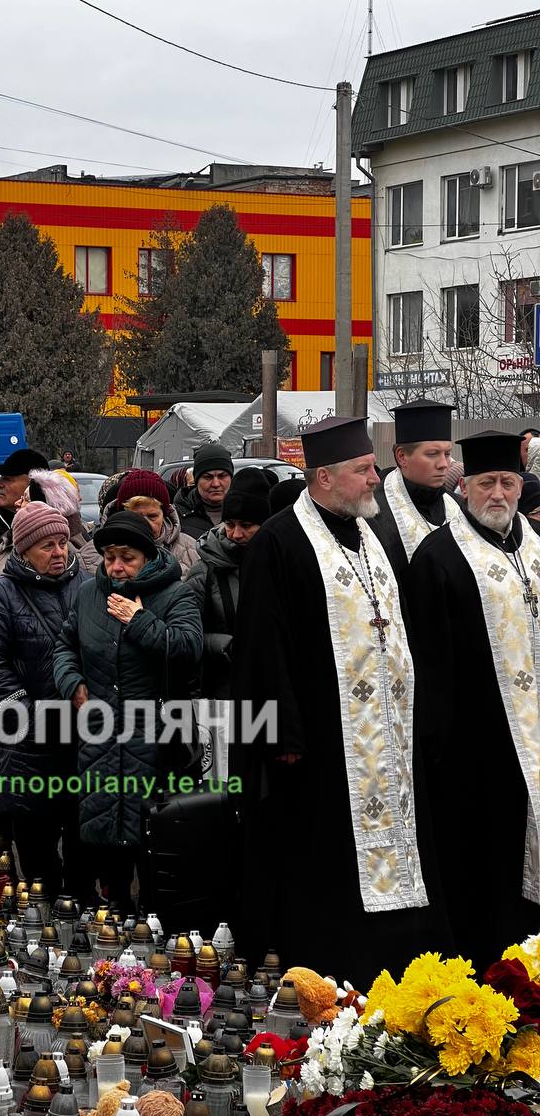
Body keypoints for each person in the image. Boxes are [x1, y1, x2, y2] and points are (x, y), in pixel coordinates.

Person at [231, 416, 449, 987]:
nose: (374, 479)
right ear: (323, 477)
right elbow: (261, 648)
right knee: (325, 867)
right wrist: (281, 734)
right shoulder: (279, 542)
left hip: (390, 738)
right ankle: (332, 975)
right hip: (321, 747)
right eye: (361, 470)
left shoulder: (373, 537)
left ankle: (400, 970)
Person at [408, 431, 540, 972]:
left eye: (508, 483)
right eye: (487, 483)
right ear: (464, 487)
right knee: (481, 869)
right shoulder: (438, 556)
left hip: (533, 744)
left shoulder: (534, 547)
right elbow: (429, 663)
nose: (499, 494)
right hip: (473, 749)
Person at [54, 510, 203, 911]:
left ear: (148, 556)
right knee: (105, 828)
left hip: (154, 736)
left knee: (152, 833)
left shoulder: (176, 593)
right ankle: (114, 909)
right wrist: (72, 683)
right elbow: (65, 645)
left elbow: (188, 649)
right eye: (109, 557)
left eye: (127, 557)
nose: (116, 566)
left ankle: (155, 921)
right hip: (100, 734)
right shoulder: (89, 594)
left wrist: (139, 620)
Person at [0, 502, 90, 898]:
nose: (58, 553)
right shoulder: (2, 594)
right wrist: (25, 709)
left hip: (82, 737)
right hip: (27, 742)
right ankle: (42, 926)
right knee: (37, 852)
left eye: (62, 543)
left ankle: (84, 925)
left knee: (83, 843)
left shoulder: (87, 585)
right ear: (23, 552)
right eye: (46, 546)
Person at [187, 469, 270, 700]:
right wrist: (226, 645)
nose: (235, 534)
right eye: (230, 524)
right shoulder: (206, 569)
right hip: (223, 691)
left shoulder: (276, 564)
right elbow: (187, 634)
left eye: (246, 525)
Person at [370, 399, 460, 580]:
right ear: (402, 456)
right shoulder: (373, 512)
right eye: (432, 454)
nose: (444, 464)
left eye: (447, 454)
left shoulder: (460, 507)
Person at [113, 469, 197, 578]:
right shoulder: (94, 554)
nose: (145, 524)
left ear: (164, 515)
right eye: (136, 517)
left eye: (152, 516)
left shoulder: (191, 550)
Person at [174, 443, 234, 536]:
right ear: (196, 480)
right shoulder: (176, 516)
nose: (216, 484)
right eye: (208, 477)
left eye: (222, 476)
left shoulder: (247, 512)